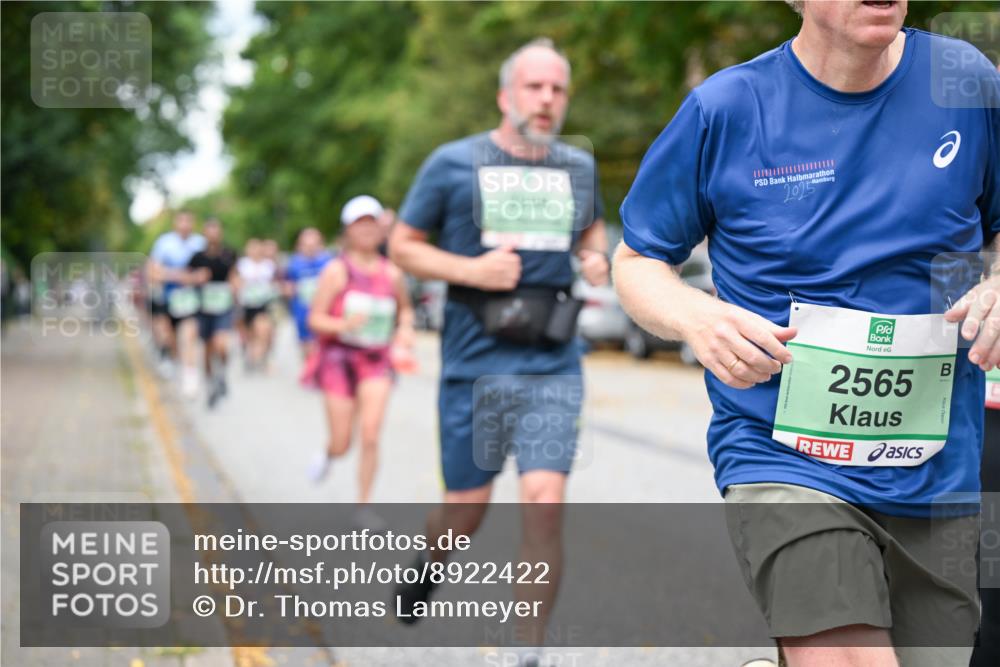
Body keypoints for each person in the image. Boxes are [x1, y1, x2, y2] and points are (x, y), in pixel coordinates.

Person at [614, 1, 999, 666]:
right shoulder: (728, 109)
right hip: (783, 456)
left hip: (934, 471)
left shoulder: (964, 82)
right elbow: (638, 260)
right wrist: (695, 316)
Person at [388, 38, 609, 666]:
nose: (546, 99)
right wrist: (470, 270)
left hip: (551, 363)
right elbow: (403, 246)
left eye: (558, 89)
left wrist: (595, 258)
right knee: (466, 513)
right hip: (474, 364)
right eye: (534, 87)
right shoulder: (452, 163)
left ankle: (526, 651)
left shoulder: (577, 168)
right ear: (505, 95)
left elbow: (591, 233)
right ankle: (429, 563)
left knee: (544, 499)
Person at [302, 195, 415, 523]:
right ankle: (328, 453)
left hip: (376, 359)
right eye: (359, 222)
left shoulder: (391, 273)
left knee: (370, 433)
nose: (366, 229)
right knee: (343, 442)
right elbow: (315, 319)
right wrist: (343, 325)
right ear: (348, 230)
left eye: (372, 222)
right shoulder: (336, 272)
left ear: (381, 229)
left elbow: (406, 309)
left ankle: (363, 505)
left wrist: (405, 328)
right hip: (338, 359)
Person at [148, 211, 206, 394]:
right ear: (175, 224)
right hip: (167, 300)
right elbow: (153, 271)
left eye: (188, 221)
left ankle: (190, 375)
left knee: (189, 336)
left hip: (191, 301)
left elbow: (206, 272)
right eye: (181, 221)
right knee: (170, 338)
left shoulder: (200, 244)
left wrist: (192, 279)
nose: (185, 225)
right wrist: (178, 276)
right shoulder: (164, 243)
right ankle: (172, 358)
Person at [186, 219, 238, 408]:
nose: (213, 235)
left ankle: (222, 372)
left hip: (223, 307)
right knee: (207, 349)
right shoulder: (197, 257)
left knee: (221, 343)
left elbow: (234, 276)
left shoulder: (229, 254)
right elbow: (186, 278)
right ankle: (210, 384)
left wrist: (235, 286)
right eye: (210, 231)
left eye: (216, 230)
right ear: (204, 234)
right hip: (203, 308)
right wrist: (195, 277)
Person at [284, 228, 333, 356]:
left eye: (314, 244)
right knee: (307, 352)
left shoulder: (329, 263)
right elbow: (287, 286)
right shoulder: (293, 264)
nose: (310, 248)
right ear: (299, 246)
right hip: (302, 313)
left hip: (325, 314)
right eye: (306, 245)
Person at [235, 238, 278, 373]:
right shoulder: (242, 265)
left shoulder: (268, 265)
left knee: (264, 330)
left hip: (263, 304)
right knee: (250, 334)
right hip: (246, 304)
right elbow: (235, 282)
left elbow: (275, 281)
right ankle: (250, 354)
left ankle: (263, 356)